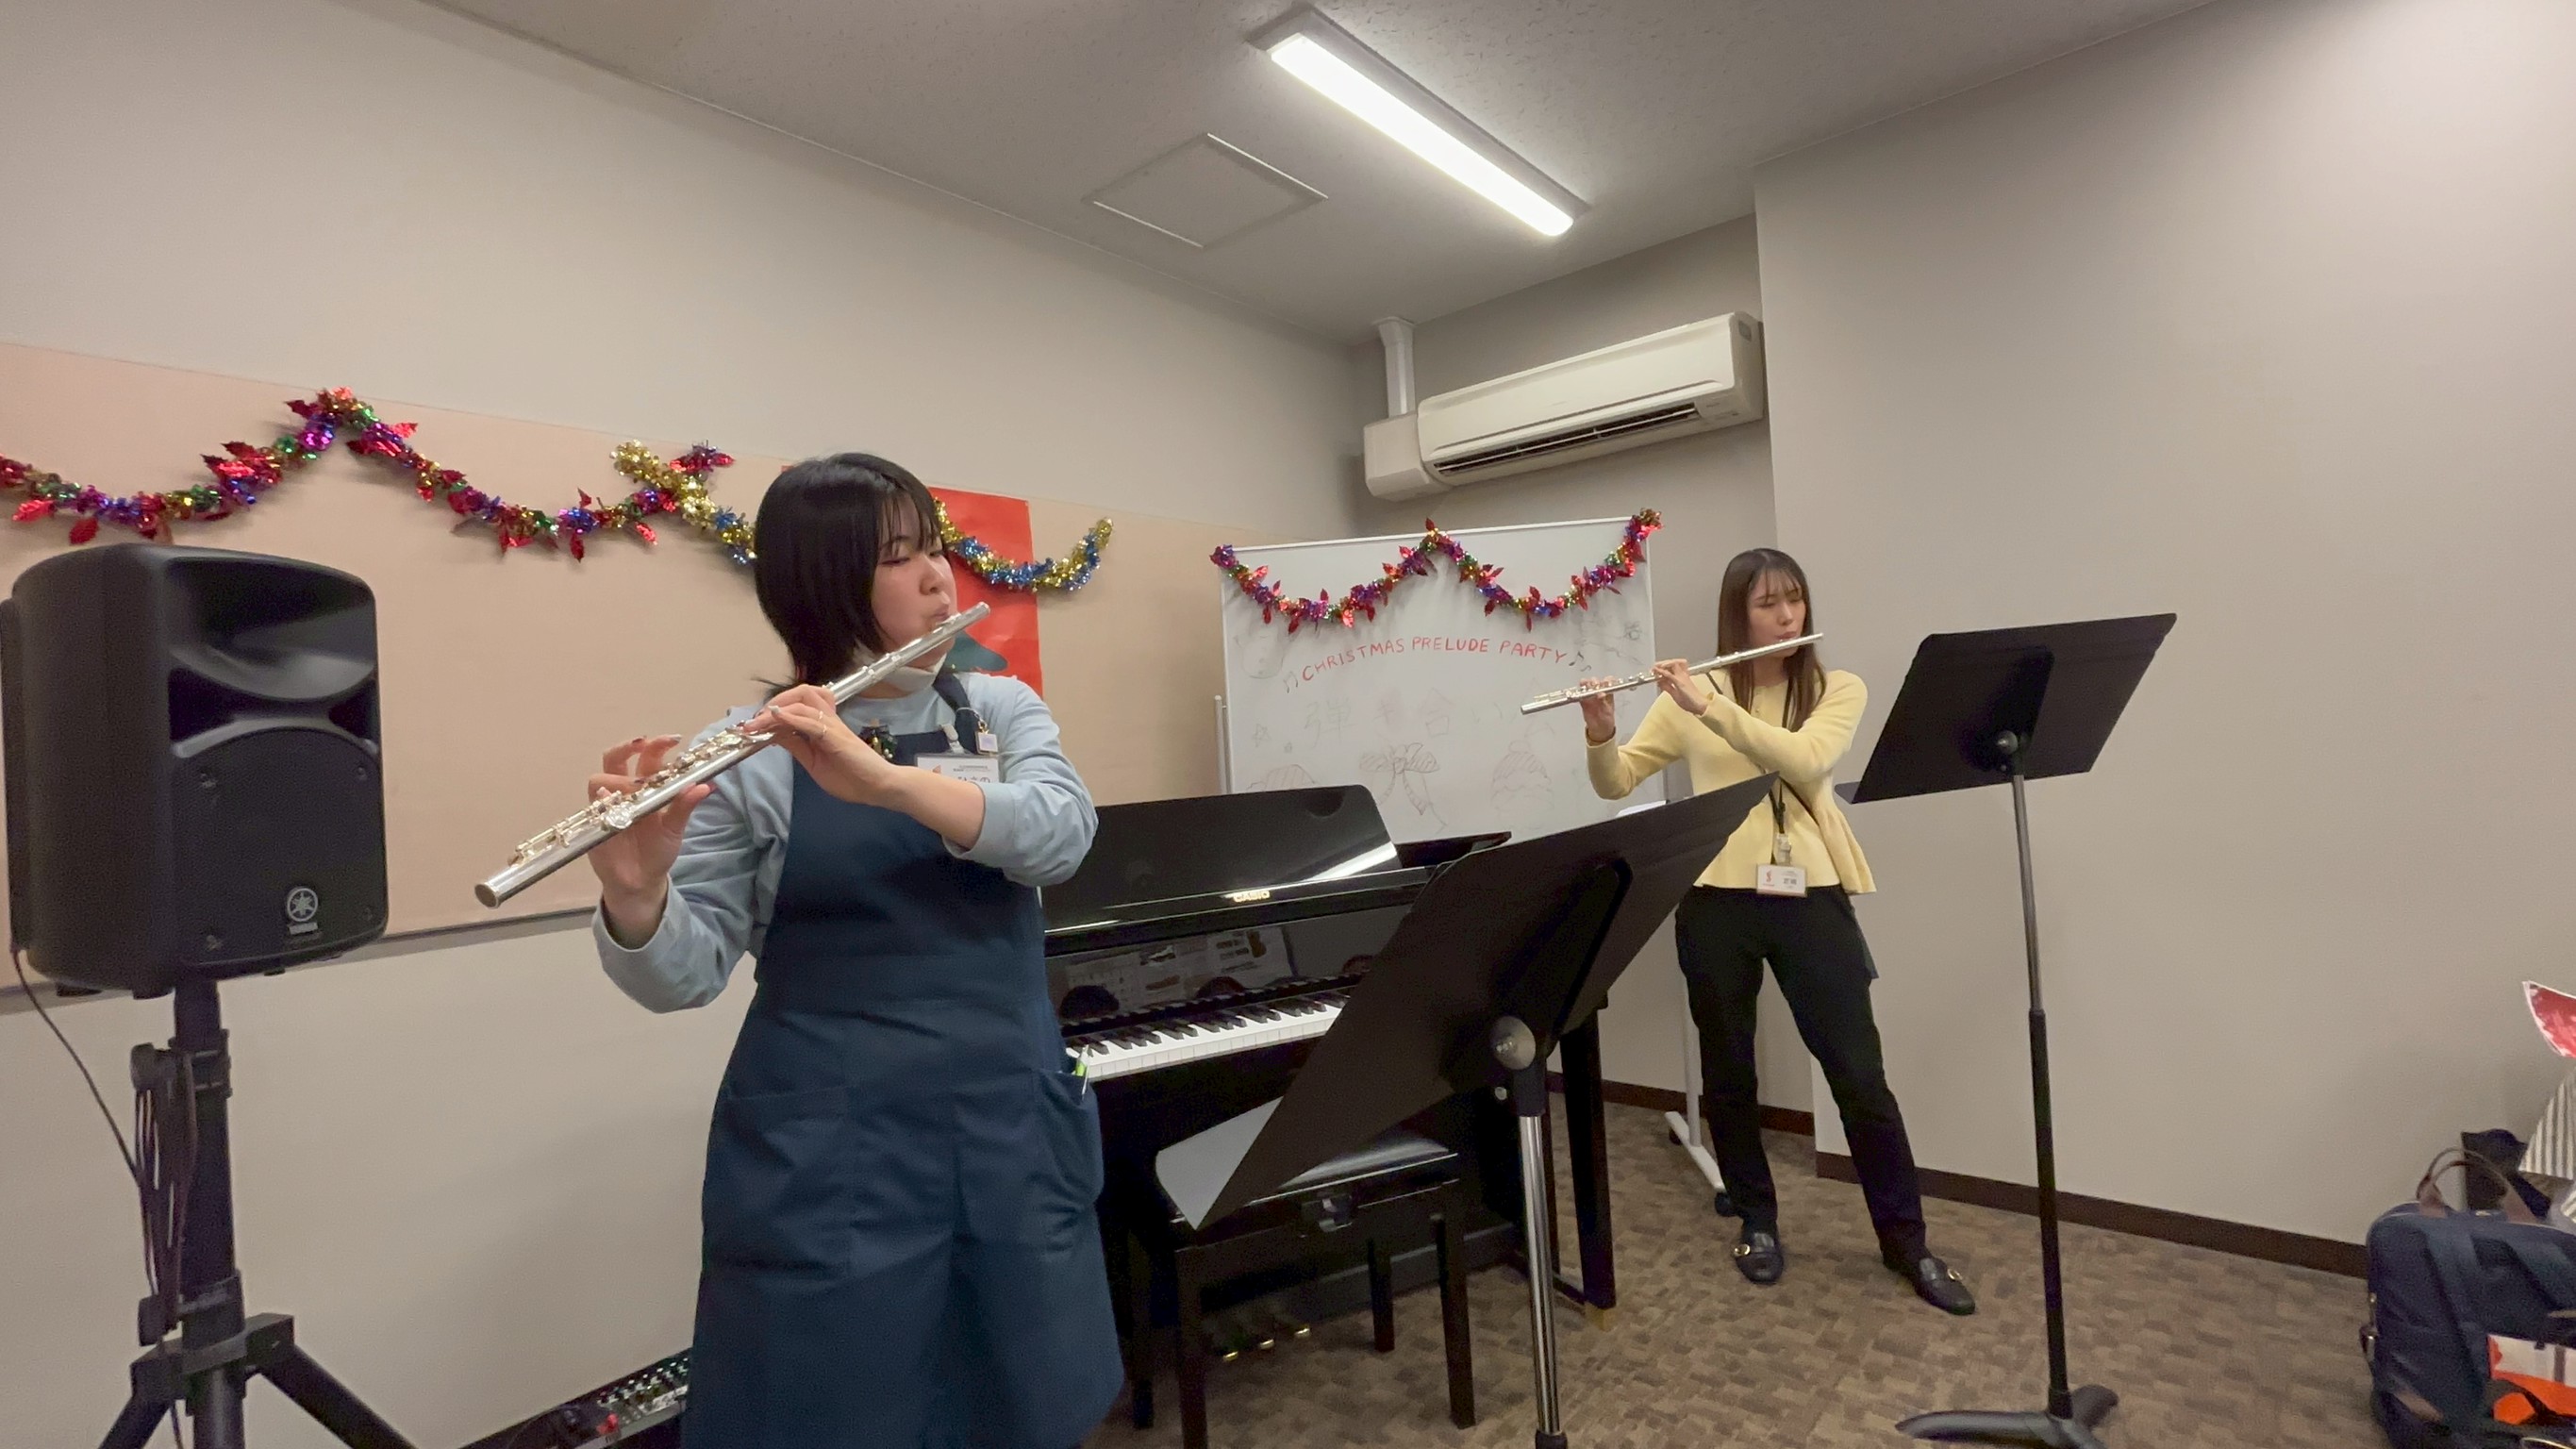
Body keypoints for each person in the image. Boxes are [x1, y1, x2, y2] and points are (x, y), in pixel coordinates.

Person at [585, 454, 1122, 1446]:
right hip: (830, 1145)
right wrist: (637, 894)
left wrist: (885, 784)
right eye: (899, 556)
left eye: (935, 549)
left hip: (1005, 1122)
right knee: (833, 1405)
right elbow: (683, 977)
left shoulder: (998, 710)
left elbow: (1060, 837)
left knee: (1022, 1391)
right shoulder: (748, 752)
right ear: (823, 582)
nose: (938, 578)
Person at [1577, 547, 1975, 1315]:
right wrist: (1600, 735)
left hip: (1808, 896)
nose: (1788, 616)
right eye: (1767, 604)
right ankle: (1756, 1220)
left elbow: (1803, 758)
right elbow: (1615, 782)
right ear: (1737, 615)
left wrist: (1708, 708)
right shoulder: (1692, 696)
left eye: (1794, 599)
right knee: (1728, 1070)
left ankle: (1908, 1244)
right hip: (1713, 902)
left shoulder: (1833, 687)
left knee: (1857, 1075)